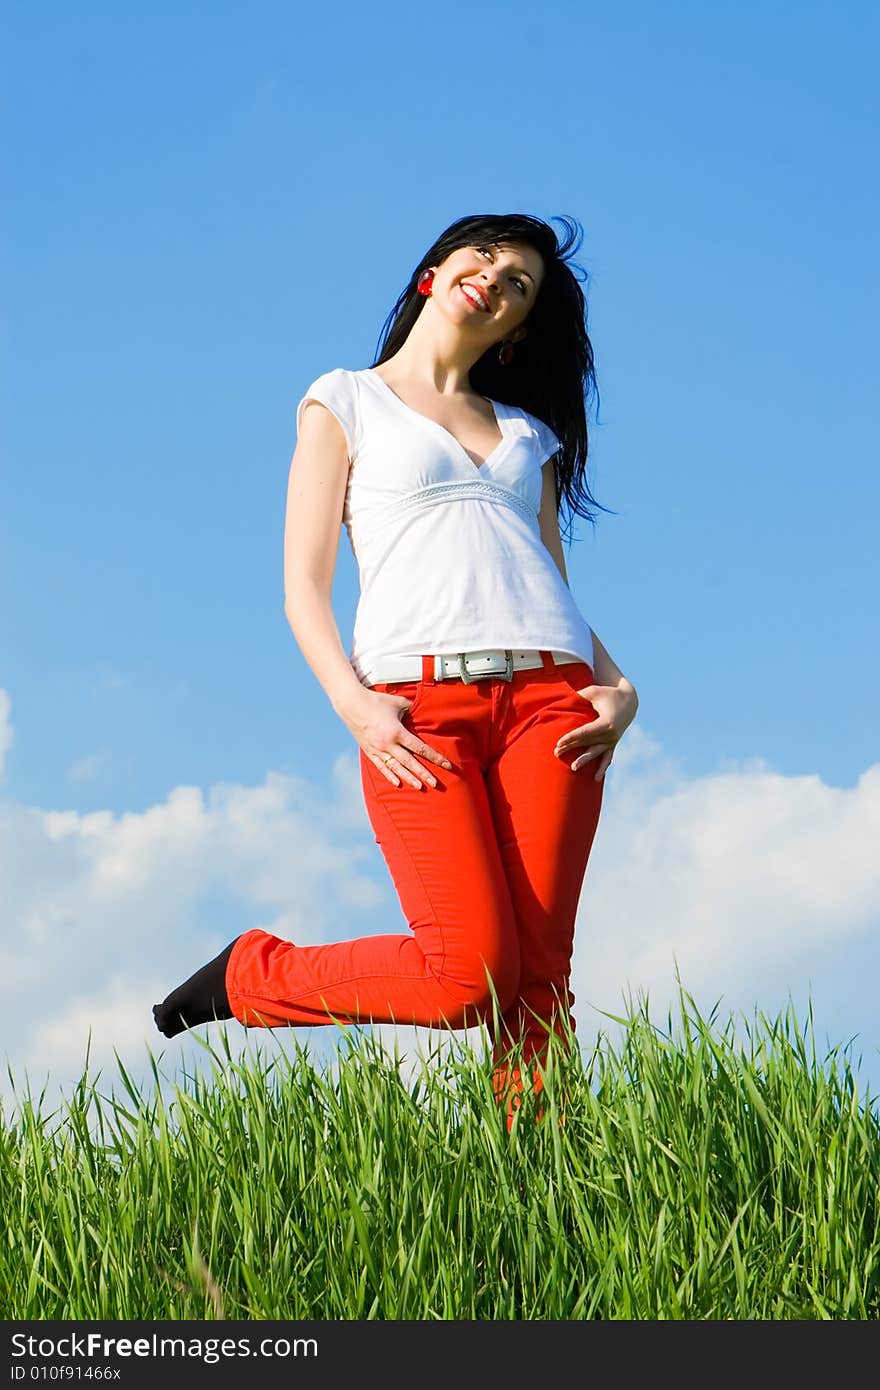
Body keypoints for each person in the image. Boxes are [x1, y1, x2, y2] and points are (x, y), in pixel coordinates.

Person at [153, 212, 639, 1129]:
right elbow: (303, 587)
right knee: (468, 976)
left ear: (520, 328)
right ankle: (253, 975)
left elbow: (549, 585)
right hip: (415, 709)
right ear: (437, 271)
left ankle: (544, 1187)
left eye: (520, 283)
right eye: (485, 256)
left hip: (553, 703)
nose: (495, 278)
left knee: (540, 975)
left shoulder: (528, 436)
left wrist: (621, 687)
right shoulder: (344, 400)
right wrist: (355, 707)